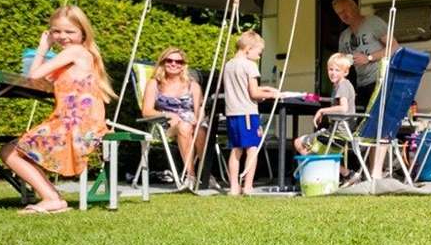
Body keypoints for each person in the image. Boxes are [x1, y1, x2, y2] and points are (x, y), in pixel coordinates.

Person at [0, 5, 116, 214]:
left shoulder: (75, 51)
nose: (62, 36)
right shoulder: (76, 55)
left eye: (69, 31)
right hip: (77, 121)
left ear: (82, 32)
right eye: (56, 31)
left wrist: (43, 48)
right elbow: (42, 79)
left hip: (75, 124)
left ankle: (52, 198)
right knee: (15, 150)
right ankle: (51, 197)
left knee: (10, 152)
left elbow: (33, 75)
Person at [141, 47, 208, 190]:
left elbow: (199, 111)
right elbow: (146, 111)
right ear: (163, 63)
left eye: (178, 61)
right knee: (184, 126)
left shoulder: (193, 85)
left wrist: (198, 121)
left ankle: (206, 173)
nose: (173, 64)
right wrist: (168, 115)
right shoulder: (154, 84)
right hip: (166, 125)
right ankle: (190, 175)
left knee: (200, 130)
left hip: (192, 123)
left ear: (183, 65)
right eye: (169, 60)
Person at [222, 31, 279, 196]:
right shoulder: (250, 66)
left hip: (232, 113)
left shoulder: (229, 65)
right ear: (249, 48)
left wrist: (268, 88)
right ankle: (248, 186)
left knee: (235, 149)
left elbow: (243, 88)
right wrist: (272, 95)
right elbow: (253, 93)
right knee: (252, 149)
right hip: (248, 113)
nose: (259, 57)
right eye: (258, 53)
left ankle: (233, 187)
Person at [293, 53, 357, 179]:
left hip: (338, 134)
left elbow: (343, 108)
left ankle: (321, 175)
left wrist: (322, 111)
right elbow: (341, 101)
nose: (333, 73)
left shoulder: (342, 85)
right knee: (312, 149)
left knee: (299, 143)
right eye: (330, 69)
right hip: (342, 132)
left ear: (346, 72)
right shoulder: (343, 84)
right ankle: (340, 174)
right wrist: (322, 99)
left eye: (337, 70)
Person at [333, 0, 399, 109]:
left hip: (380, 81)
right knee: (361, 121)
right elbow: (341, 63)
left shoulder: (373, 22)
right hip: (361, 85)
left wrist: (368, 58)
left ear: (354, 7)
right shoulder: (344, 36)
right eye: (339, 13)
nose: (343, 16)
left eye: (344, 11)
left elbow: (394, 47)